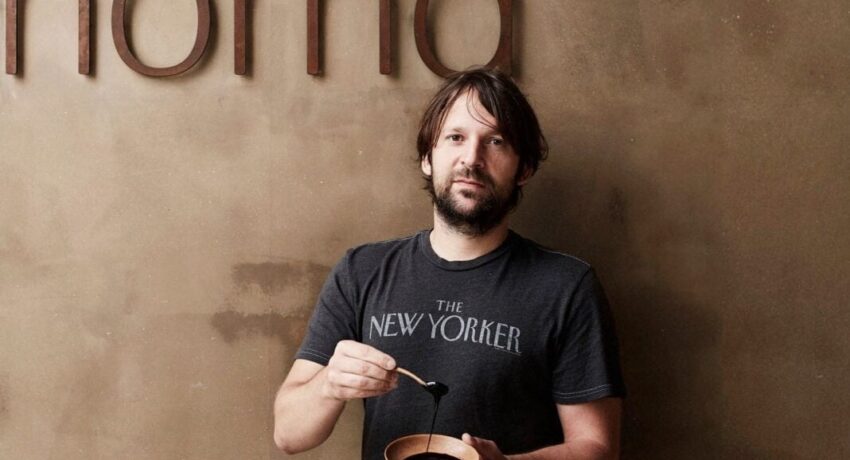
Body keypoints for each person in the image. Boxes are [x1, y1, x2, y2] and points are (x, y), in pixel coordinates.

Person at [273, 67, 626, 460]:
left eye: (495, 141)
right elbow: (288, 435)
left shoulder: (567, 286)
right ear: (428, 157)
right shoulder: (362, 271)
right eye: (455, 137)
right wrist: (329, 384)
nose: (471, 159)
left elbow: (598, 448)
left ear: (523, 169)